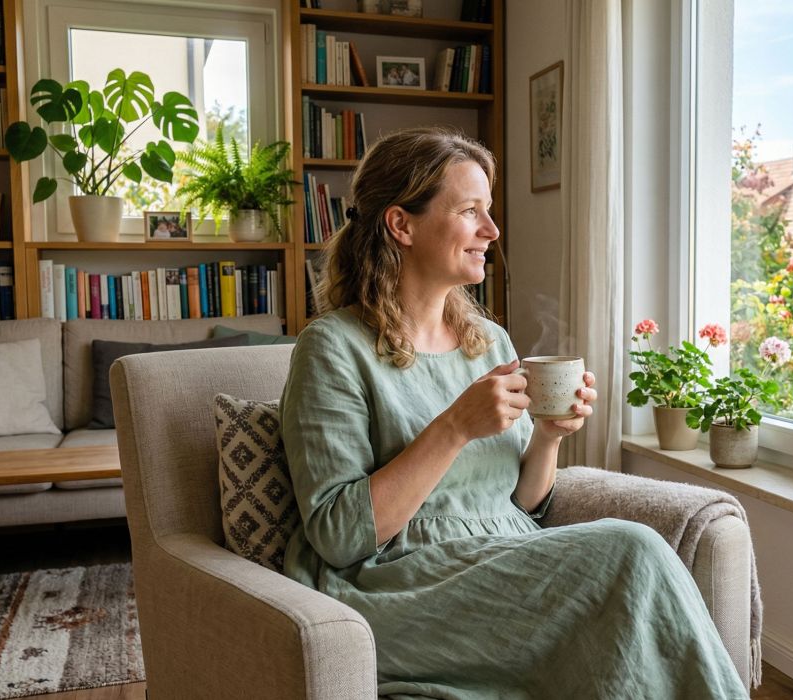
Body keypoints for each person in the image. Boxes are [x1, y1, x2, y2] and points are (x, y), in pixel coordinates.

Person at [280, 127, 747, 698]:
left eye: (490, 211)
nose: (492, 231)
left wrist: (548, 437)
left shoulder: (489, 342)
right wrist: (455, 427)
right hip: (398, 586)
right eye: (471, 211)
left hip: (503, 553)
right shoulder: (332, 348)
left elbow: (519, 505)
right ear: (402, 224)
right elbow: (337, 534)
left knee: (629, 583)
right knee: (632, 549)